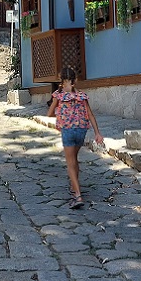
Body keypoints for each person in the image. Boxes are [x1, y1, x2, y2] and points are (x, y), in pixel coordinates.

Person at [47, 66, 103, 209]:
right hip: (81, 130)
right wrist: (97, 133)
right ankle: (74, 186)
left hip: (67, 130)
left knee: (70, 162)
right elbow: (90, 115)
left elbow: (49, 114)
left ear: (61, 81)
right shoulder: (82, 96)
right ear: (75, 80)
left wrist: (61, 112)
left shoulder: (58, 96)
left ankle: (77, 195)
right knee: (75, 159)